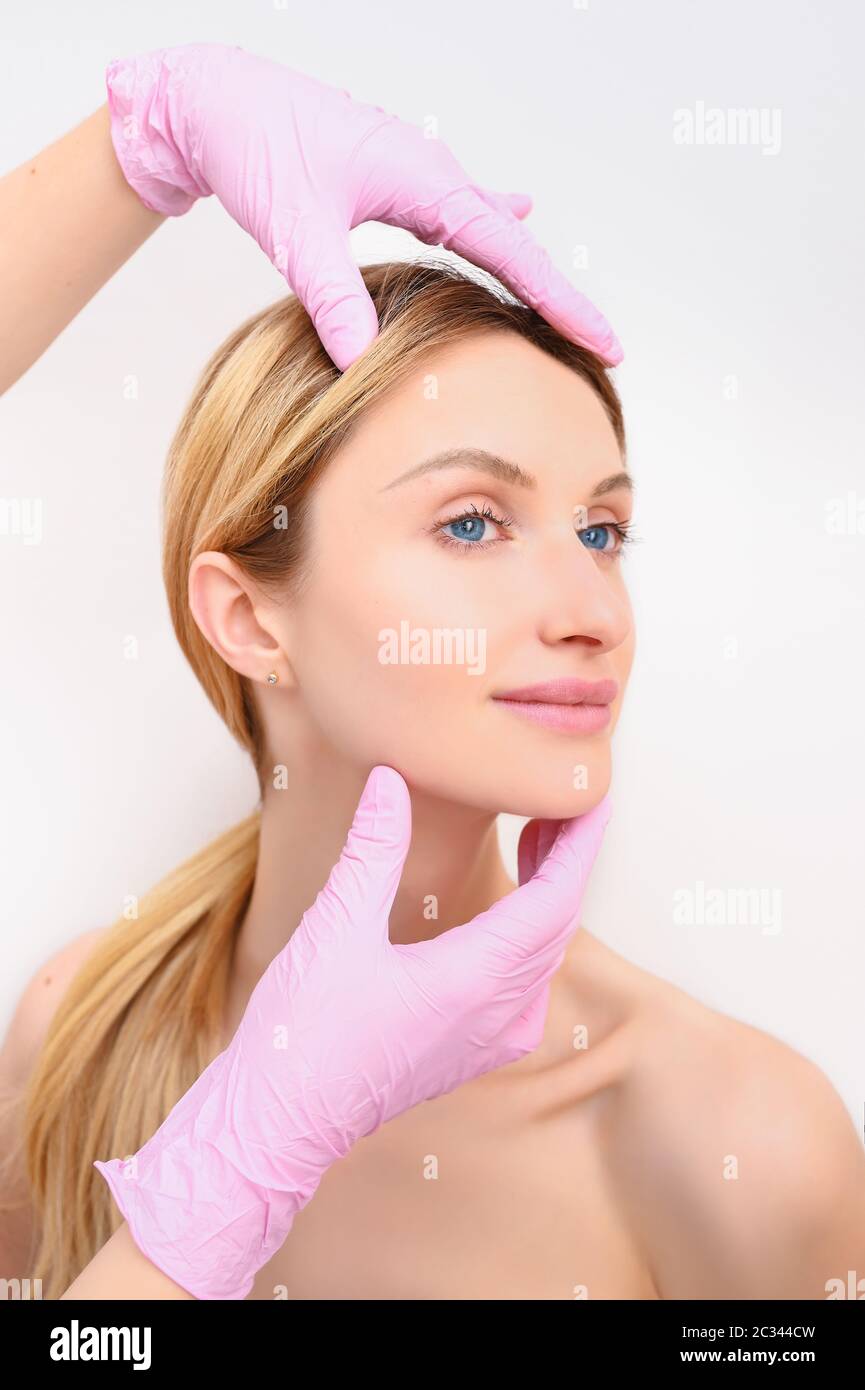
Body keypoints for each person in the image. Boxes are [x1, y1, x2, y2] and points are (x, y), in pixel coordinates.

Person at [1, 45, 863, 1303]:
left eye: (602, 531)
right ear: (248, 616)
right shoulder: (79, 1036)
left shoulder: (739, 1145)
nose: (591, 612)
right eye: (470, 522)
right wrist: (228, 1176)